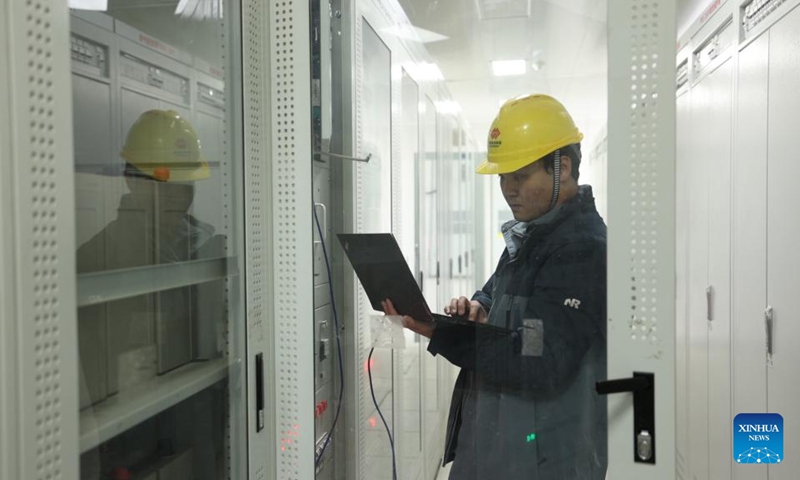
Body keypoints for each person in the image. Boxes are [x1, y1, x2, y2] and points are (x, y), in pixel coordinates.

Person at [383, 94, 608, 479]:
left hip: (541, 460)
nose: (508, 188)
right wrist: (478, 308)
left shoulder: (580, 249)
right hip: (502, 444)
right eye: (503, 176)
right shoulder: (536, 233)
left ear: (563, 168)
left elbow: (539, 357)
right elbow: (495, 292)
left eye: (519, 176)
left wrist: (443, 333)